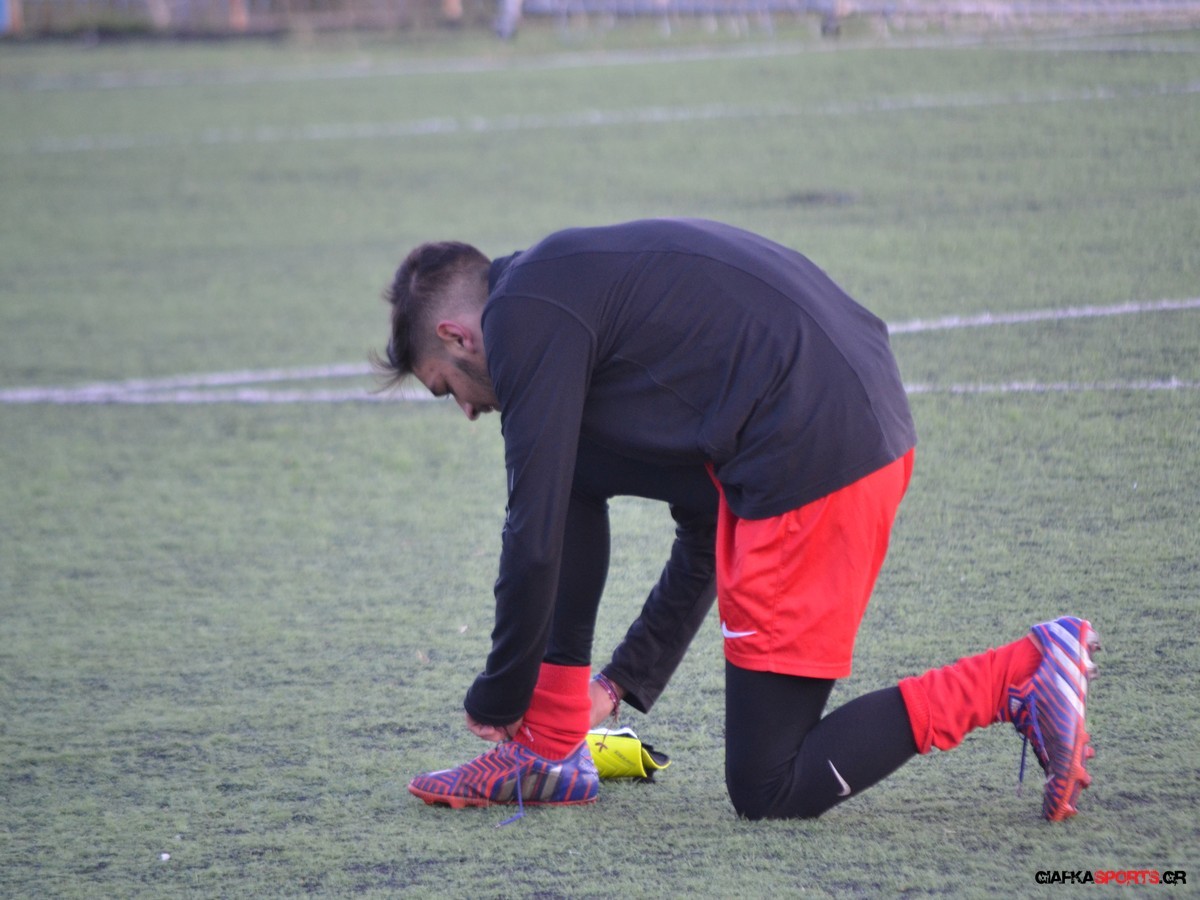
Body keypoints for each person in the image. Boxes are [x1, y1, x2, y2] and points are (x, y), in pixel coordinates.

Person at [378, 218, 1099, 821]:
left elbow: (532, 539)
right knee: (573, 473)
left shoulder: (522, 316)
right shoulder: (557, 283)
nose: (467, 410)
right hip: (847, 419)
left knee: (769, 786)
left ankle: (1018, 675)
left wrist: (500, 693)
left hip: (818, 453)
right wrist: (621, 681)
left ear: (458, 335)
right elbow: (699, 513)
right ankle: (552, 745)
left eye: (447, 389)